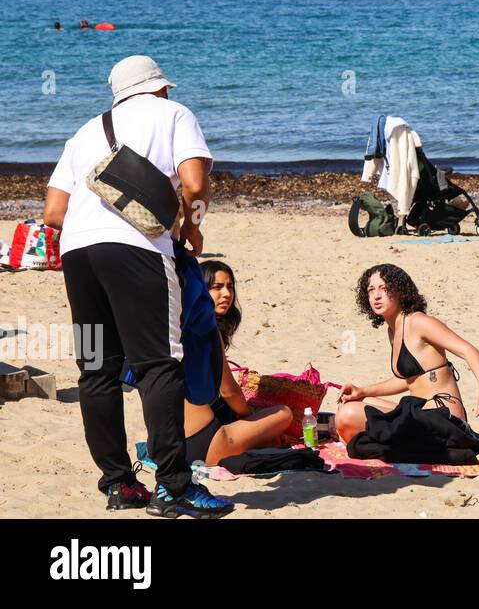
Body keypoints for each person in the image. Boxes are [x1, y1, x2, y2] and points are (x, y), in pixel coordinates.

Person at [43, 54, 234, 517]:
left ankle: (119, 484)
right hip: (139, 253)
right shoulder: (174, 114)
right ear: (161, 87)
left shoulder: (85, 132)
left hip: (78, 256)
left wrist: (96, 228)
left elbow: (52, 213)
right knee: (158, 364)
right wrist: (191, 227)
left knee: (95, 368)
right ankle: (173, 486)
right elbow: (195, 182)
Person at [335, 264, 479, 443]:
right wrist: (362, 391)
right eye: (371, 290)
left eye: (384, 288)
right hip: (418, 414)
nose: (376, 295)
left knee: (349, 415)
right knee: (351, 405)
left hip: (443, 420)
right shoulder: (394, 330)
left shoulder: (418, 322)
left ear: (400, 291)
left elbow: (468, 351)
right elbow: (410, 379)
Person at [181, 262, 293, 465]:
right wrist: (249, 416)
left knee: (265, 430)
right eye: (216, 287)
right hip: (203, 445)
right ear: (199, 290)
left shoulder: (178, 327)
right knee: (283, 414)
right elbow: (228, 391)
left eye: (230, 287)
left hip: (168, 445)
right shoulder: (208, 331)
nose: (226, 294)